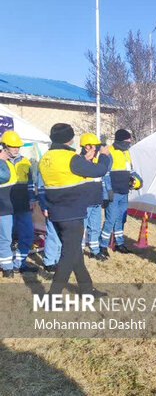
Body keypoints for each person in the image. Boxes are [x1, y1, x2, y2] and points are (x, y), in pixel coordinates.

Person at [39, 123, 110, 295]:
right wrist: (104, 156)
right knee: (68, 257)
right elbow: (99, 170)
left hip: (56, 212)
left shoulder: (46, 157)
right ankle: (52, 296)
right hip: (72, 213)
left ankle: (87, 289)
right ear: (70, 139)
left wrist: (83, 160)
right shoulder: (71, 158)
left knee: (75, 253)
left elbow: (65, 174)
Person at [98, 129, 142, 258]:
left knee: (120, 219)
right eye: (127, 141)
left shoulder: (125, 153)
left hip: (124, 192)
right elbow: (104, 174)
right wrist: (108, 192)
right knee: (110, 220)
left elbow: (131, 170)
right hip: (113, 193)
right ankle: (103, 246)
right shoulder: (109, 152)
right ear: (120, 140)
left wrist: (139, 180)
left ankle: (119, 244)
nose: (129, 143)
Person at [0, 131, 38, 277]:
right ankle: (7, 267)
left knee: (28, 235)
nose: (16, 149)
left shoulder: (25, 161)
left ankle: (19, 264)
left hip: (23, 204)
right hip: (4, 205)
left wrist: (32, 199)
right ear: (4, 146)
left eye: (18, 147)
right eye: (13, 146)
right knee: (5, 237)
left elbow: (30, 183)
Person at [79, 133, 110, 259]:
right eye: (95, 146)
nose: (97, 148)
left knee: (95, 228)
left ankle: (95, 251)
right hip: (84, 203)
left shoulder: (97, 162)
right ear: (86, 147)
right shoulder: (79, 162)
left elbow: (101, 181)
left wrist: (105, 196)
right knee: (82, 228)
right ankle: (79, 252)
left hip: (96, 201)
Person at [36, 168, 61, 272]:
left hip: (64, 206)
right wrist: (44, 207)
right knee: (52, 234)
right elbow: (41, 189)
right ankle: (49, 262)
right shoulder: (45, 165)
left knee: (61, 234)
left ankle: (58, 260)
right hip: (51, 206)